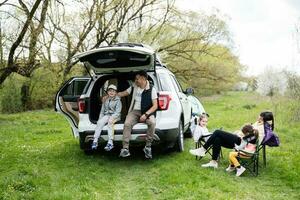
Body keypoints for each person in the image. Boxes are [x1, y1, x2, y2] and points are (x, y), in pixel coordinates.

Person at [189, 111, 274, 169]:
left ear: (263, 118)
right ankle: (213, 162)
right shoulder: (259, 123)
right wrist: (239, 133)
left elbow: (254, 139)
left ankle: (203, 149)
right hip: (240, 139)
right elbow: (249, 132)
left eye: (260, 116)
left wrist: (242, 136)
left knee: (218, 132)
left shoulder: (264, 128)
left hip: (242, 143)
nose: (258, 116)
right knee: (217, 139)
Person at [117, 70, 158, 159]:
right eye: (135, 79)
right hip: (135, 111)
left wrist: (146, 115)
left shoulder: (152, 89)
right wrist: (111, 95)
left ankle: (148, 147)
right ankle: (125, 149)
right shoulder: (134, 86)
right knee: (127, 124)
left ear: (143, 79)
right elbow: (123, 93)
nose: (135, 81)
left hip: (147, 112)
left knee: (152, 123)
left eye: (137, 79)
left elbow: (155, 106)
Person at [91, 84, 122, 151]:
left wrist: (112, 118)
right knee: (99, 122)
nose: (111, 92)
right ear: (107, 92)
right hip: (107, 115)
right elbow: (102, 111)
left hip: (116, 116)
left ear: (116, 93)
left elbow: (118, 112)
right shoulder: (106, 100)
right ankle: (95, 140)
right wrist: (100, 119)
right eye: (110, 91)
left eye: (113, 91)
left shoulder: (118, 101)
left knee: (110, 122)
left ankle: (110, 142)